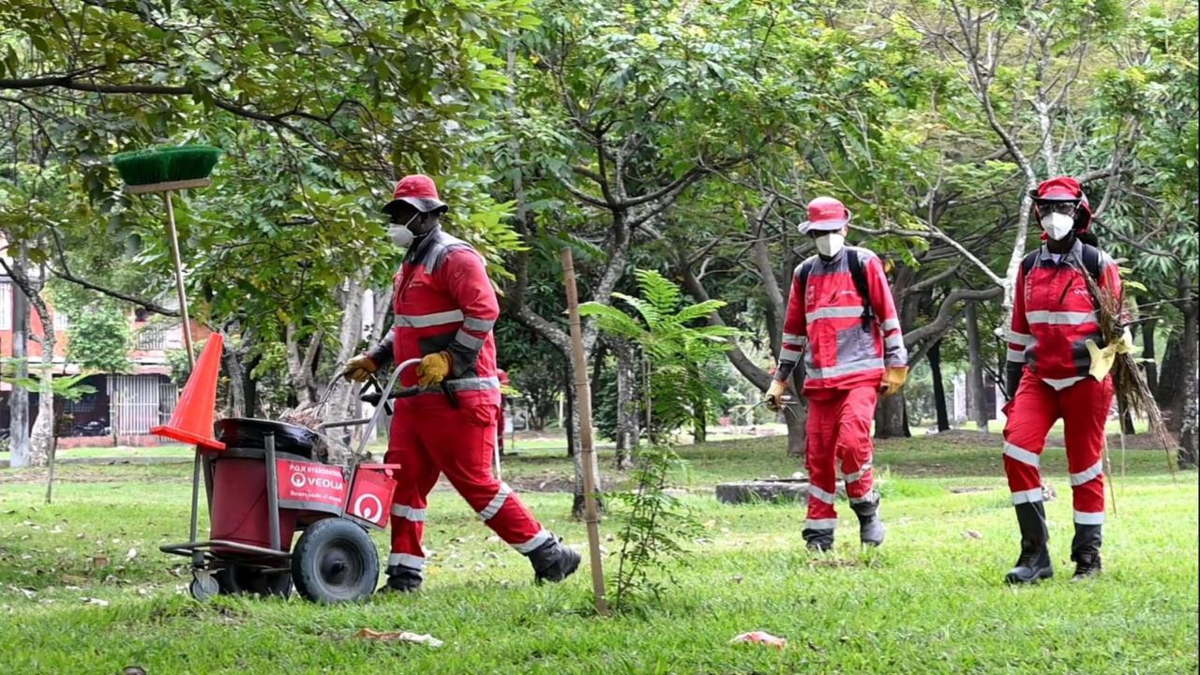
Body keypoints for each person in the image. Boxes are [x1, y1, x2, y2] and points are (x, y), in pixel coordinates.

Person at [342, 174, 580, 592]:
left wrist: (453, 359)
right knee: (405, 484)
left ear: (431, 215)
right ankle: (404, 575)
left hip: (459, 396)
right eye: (395, 212)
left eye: (406, 213)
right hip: (415, 396)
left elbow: (484, 312)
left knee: (475, 484)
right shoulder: (410, 264)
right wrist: (376, 358)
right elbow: (407, 328)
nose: (397, 221)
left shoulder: (455, 257)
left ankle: (549, 554)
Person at [1000, 176, 1127, 584]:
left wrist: (1115, 347)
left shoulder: (1097, 264)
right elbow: (1019, 332)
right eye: (1049, 208)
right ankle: (1034, 555)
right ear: (1038, 212)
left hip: (1086, 380)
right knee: (1016, 452)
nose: (1056, 217)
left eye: (1064, 209)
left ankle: (1088, 558)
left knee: (1084, 468)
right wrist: (1012, 385)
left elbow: (1116, 329)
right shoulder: (1028, 267)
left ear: (1079, 213)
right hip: (1038, 379)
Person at [764, 196, 908, 552]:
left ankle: (866, 508)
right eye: (820, 232)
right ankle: (818, 534)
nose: (827, 237)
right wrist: (779, 379)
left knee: (852, 445)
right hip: (820, 381)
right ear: (812, 234)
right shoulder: (805, 273)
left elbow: (888, 316)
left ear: (845, 228)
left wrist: (896, 365)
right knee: (818, 455)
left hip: (861, 377)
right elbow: (795, 331)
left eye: (833, 230)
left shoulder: (864, 262)